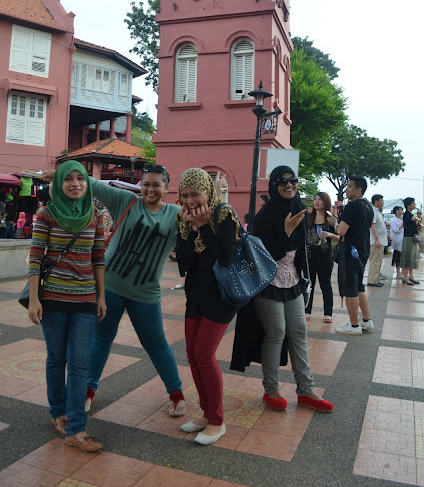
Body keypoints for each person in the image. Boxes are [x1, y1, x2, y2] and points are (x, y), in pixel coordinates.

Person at [84, 165, 185, 416]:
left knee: (157, 344)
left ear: (166, 188)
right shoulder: (125, 201)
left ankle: (176, 393)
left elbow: (206, 221)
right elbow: (91, 183)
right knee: (100, 341)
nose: (150, 189)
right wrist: (62, 173)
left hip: (146, 293)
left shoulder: (177, 215)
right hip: (110, 287)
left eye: (156, 185)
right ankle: (87, 390)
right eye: (146, 184)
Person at [234, 166, 334, 413]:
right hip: (268, 282)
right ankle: (271, 389)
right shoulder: (264, 216)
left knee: (299, 331)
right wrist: (286, 231)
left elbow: (301, 248)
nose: (289, 185)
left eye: (292, 180)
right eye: (282, 181)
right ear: (274, 185)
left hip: (293, 281)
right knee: (276, 332)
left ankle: (306, 390)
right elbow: (264, 257)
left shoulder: (299, 209)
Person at [28, 161, 106, 452]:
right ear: (58, 183)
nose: (75, 184)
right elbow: (36, 257)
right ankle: (58, 412)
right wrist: (33, 299)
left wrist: (101, 296)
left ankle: (76, 428)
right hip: (54, 299)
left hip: (85, 299)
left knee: (80, 363)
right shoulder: (46, 214)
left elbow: (98, 258)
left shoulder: (95, 215)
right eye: (68, 179)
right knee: (56, 359)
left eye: (81, 179)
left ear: (87, 183)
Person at [176, 168, 239, 444]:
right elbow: (183, 264)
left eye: (195, 194)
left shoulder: (224, 215)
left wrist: (203, 226)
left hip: (220, 297)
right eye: (185, 195)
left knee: (204, 354)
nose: (190, 201)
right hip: (195, 296)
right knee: (192, 354)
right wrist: (192, 229)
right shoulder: (183, 219)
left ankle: (217, 421)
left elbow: (226, 257)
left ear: (208, 191)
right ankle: (207, 413)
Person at [335, 176, 375, 335]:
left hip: (350, 251)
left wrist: (334, 223)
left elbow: (340, 231)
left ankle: (353, 325)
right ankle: (366, 320)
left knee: (350, 286)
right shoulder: (368, 206)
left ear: (359, 190)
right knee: (358, 285)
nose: (346, 189)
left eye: (350, 186)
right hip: (362, 250)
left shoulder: (352, 206)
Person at [305, 192, 339, 322]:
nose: (316, 202)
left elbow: (340, 237)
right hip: (309, 254)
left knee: (325, 284)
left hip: (325, 255)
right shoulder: (308, 217)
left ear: (326, 202)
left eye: (320, 199)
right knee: (309, 283)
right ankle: (306, 310)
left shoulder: (330, 219)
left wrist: (330, 234)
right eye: (315, 199)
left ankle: (328, 313)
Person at [367, 194, 387, 287]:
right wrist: (377, 240)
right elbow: (372, 226)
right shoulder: (373, 212)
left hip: (381, 240)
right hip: (376, 241)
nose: (383, 202)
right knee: (375, 261)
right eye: (381, 200)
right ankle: (372, 280)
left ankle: (376, 279)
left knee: (378, 261)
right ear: (376, 201)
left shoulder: (378, 211)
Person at [400, 197, 421, 285]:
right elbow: (416, 219)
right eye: (413, 203)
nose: (414, 205)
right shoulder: (407, 214)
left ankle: (411, 276)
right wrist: (419, 218)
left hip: (412, 238)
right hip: (408, 239)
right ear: (408, 205)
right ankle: (405, 277)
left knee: (412, 258)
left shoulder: (409, 214)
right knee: (407, 258)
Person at [390, 206, 404, 280]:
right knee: (398, 258)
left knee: (403, 257)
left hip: (403, 240)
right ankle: (398, 273)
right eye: (399, 210)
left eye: (401, 210)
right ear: (395, 212)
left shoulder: (403, 219)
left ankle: (402, 273)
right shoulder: (394, 220)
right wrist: (401, 226)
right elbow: (395, 230)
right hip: (397, 242)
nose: (400, 211)